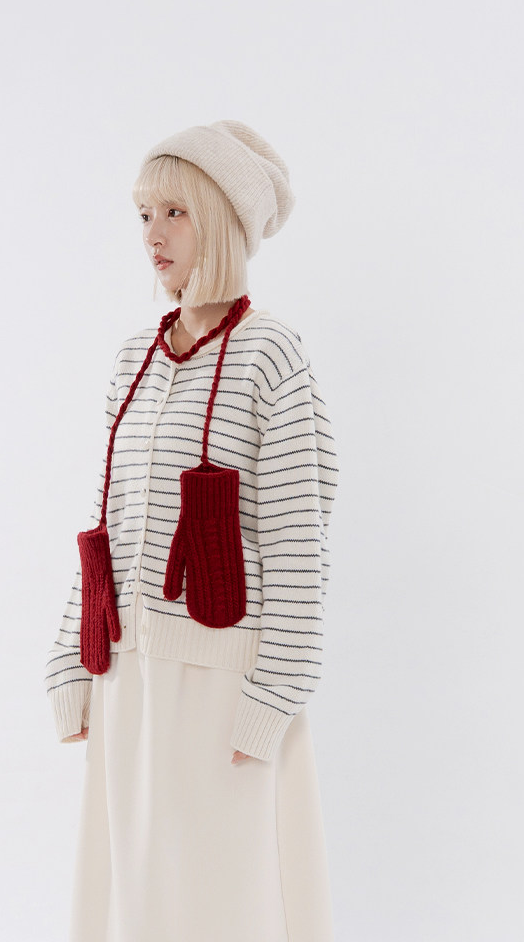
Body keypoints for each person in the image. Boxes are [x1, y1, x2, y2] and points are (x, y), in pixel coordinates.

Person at [45, 120, 340, 941]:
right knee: (138, 900)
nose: (153, 235)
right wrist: (72, 659)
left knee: (226, 900)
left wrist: (272, 698)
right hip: (129, 675)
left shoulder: (270, 356)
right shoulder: (133, 359)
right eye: (144, 214)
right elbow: (105, 523)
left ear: (222, 218)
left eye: (174, 212)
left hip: (225, 685)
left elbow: (298, 546)